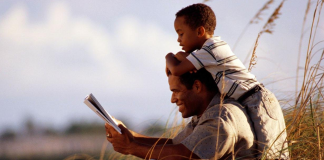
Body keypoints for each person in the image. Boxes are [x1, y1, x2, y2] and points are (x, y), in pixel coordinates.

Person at [165, 3, 289, 158]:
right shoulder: (210, 50)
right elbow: (185, 62)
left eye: (181, 34)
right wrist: (178, 58)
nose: (178, 40)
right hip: (251, 99)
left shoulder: (210, 50)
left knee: (270, 154)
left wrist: (168, 56)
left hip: (257, 100)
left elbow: (177, 69)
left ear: (200, 31)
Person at [105, 69, 259, 159]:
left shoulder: (220, 118)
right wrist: (131, 136)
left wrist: (131, 148)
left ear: (197, 86)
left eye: (176, 91)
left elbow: (185, 156)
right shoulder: (207, 113)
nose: (173, 99)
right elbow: (175, 145)